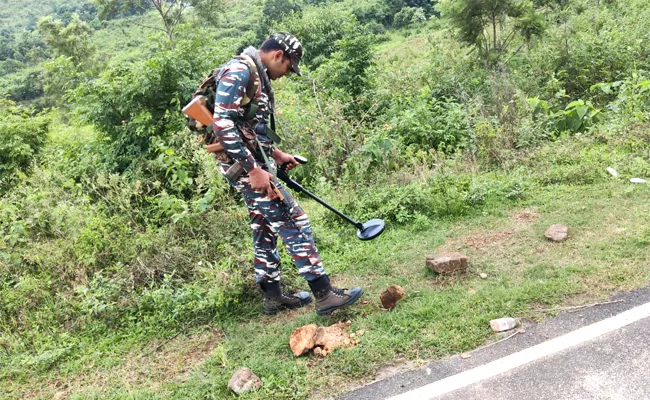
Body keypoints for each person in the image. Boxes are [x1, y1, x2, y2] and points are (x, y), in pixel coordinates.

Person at [210, 32, 363, 316]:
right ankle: (325, 294)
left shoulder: (256, 74)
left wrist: (275, 154)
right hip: (245, 166)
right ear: (278, 55)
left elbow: (249, 126)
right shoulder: (240, 70)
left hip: (251, 162)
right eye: (288, 67)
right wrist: (253, 169)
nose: (287, 74)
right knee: (294, 220)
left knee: (264, 227)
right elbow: (222, 124)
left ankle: (273, 297)